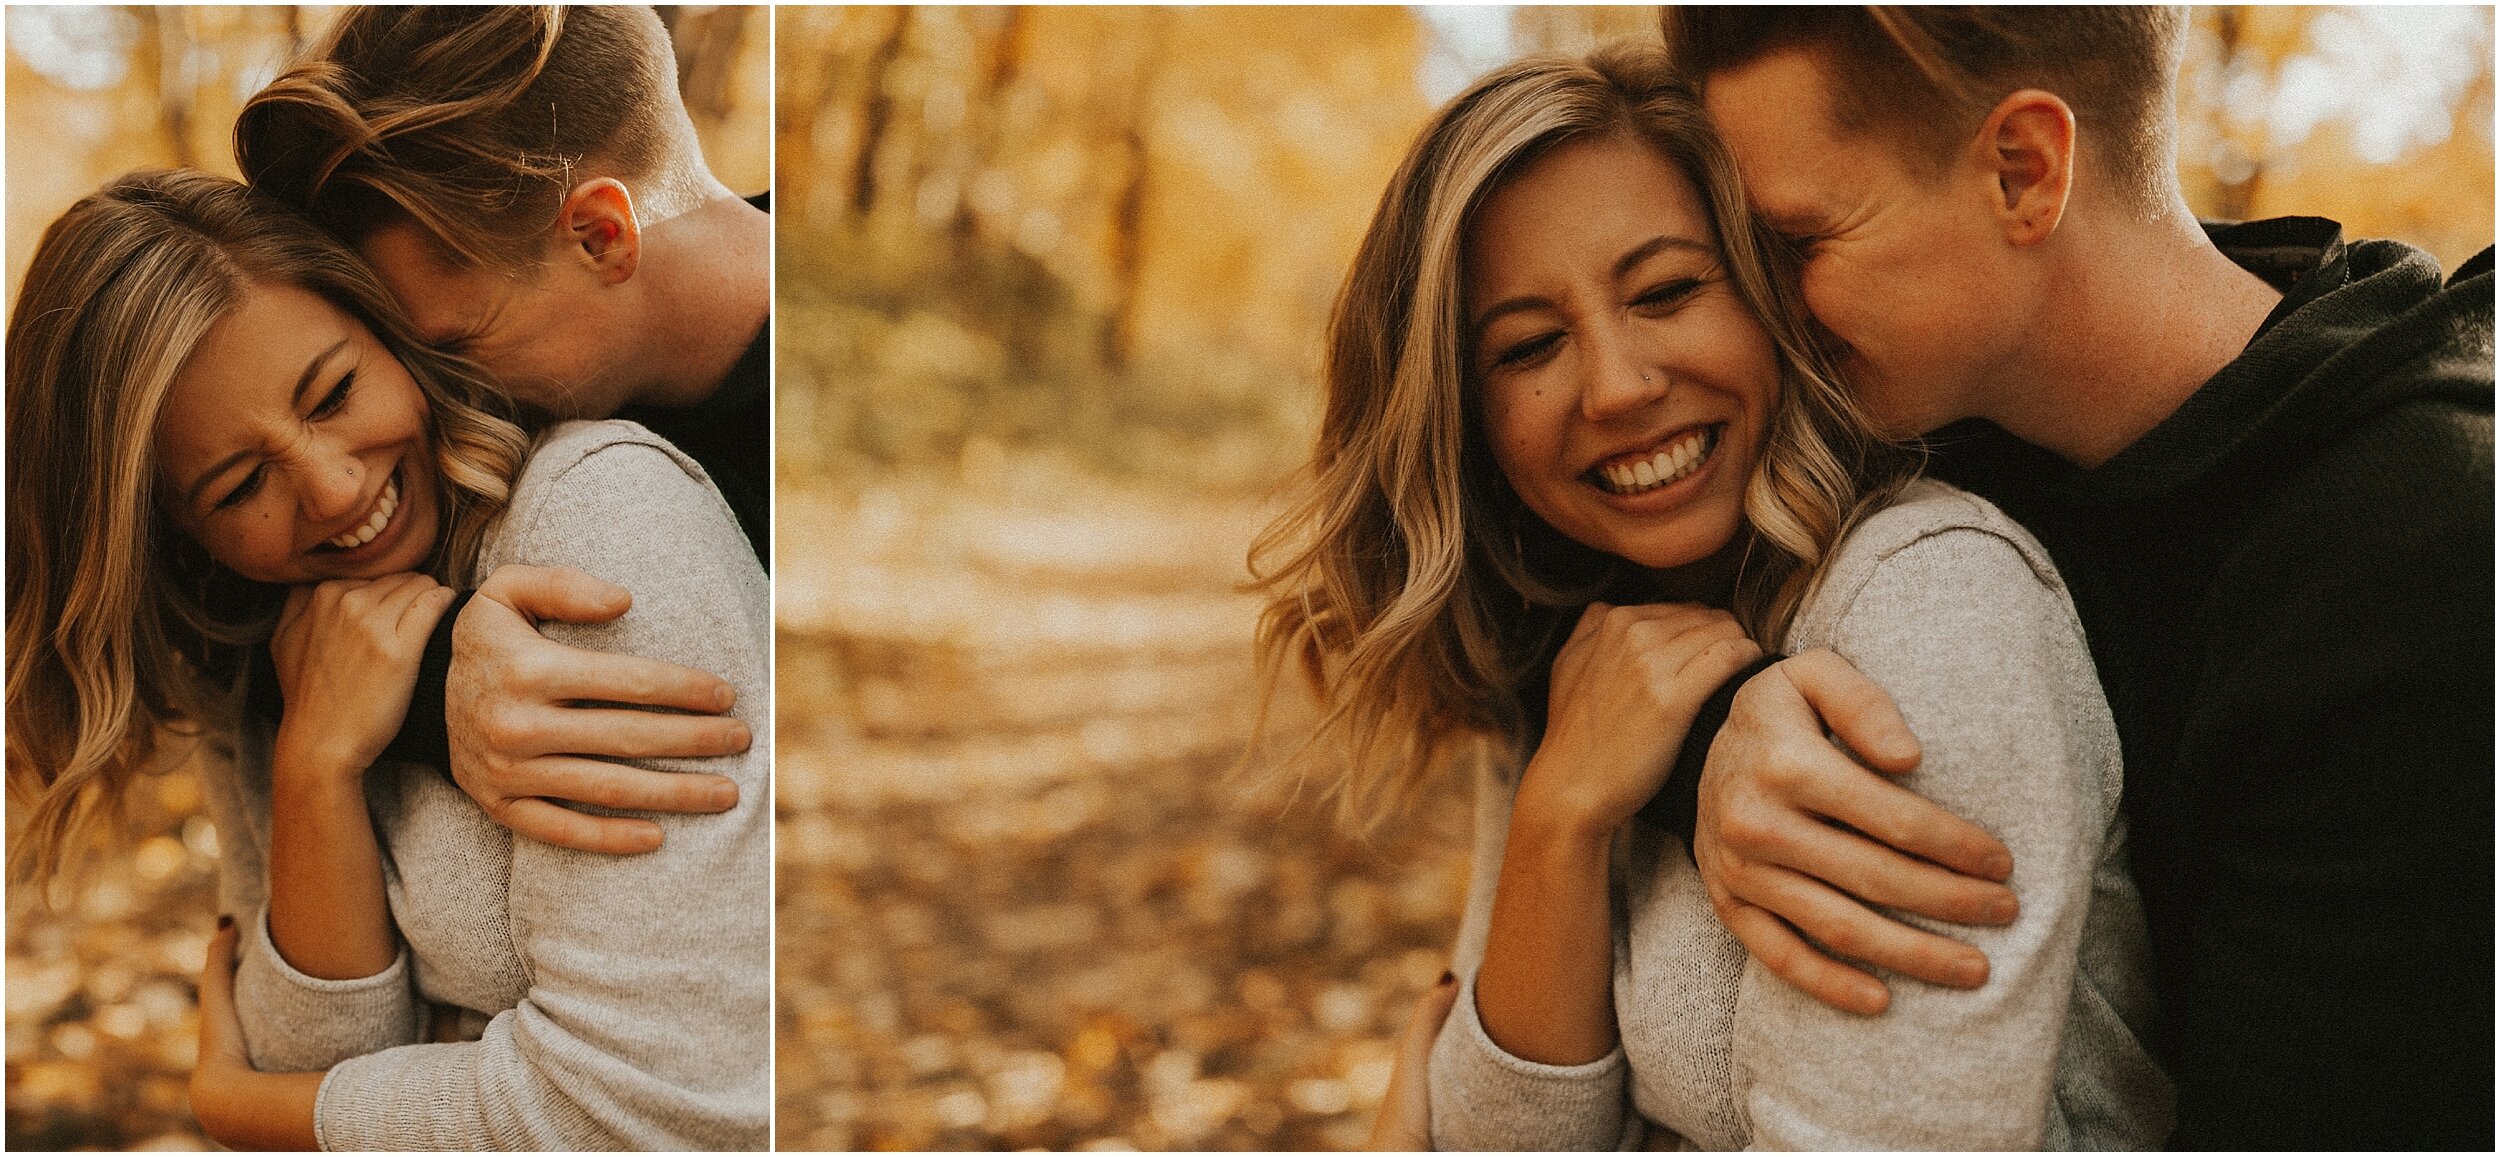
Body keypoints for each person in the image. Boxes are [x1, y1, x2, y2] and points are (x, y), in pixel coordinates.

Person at [1253, 45, 2170, 1149]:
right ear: (1465, 413)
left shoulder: (1927, 606)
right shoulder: (1571, 634)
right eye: (1529, 345)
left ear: (1771, 291)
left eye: (1669, 291)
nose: (1618, 384)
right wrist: (1560, 816)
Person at [1647, 8, 2493, 1148]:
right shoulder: (1931, 417)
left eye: (1796, 243)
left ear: (2022, 170)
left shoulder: (2416, 560)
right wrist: (1712, 728)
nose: (1760, 312)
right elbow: (1539, 585)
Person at [4, 170, 769, 1150]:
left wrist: (246, 1111)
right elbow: (304, 1049)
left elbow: (649, 1113)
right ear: (179, 535)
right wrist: (317, 766)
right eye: (240, 487)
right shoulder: (258, 657)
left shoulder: (600, 513)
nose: (329, 489)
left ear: (388, 328)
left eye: (332, 392)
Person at [234, 5, 772, 857]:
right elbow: (219, 611)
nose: (421, 397)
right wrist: (440, 682)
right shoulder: (529, 393)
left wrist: (428, 685)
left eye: (449, 348)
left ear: (601, 236)